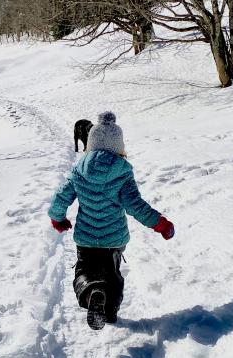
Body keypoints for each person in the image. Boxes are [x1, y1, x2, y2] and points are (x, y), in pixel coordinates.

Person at [48, 111, 175, 330]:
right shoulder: (122, 173)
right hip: (114, 240)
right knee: (112, 276)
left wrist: (58, 218)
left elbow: (61, 196)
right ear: (119, 146)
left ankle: (91, 294)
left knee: (84, 272)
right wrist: (160, 224)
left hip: (86, 239)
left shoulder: (79, 171)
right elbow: (136, 205)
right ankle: (109, 310)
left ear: (90, 143)